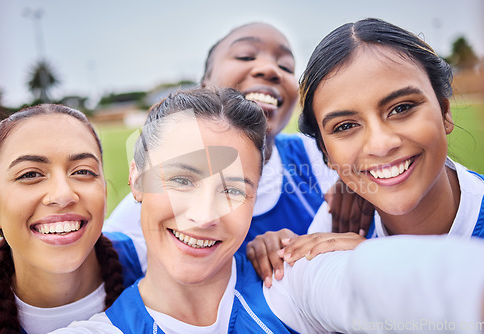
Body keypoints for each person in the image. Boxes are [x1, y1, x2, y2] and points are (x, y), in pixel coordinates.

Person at [51, 88, 484, 334]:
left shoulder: (291, 283)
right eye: (181, 180)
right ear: (136, 179)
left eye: (234, 189)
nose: (203, 215)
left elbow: (407, 288)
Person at [104, 23, 373, 267]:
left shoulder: (318, 158)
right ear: (205, 84)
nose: (269, 69)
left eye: (287, 66)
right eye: (245, 56)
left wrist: (360, 184)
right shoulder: (153, 200)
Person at [248, 17, 484, 278]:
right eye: (345, 126)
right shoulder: (332, 229)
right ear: (326, 154)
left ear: (444, 111)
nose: (381, 145)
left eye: (401, 108)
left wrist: (381, 262)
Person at [0, 104, 144, 334]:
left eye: (82, 171)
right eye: (30, 174)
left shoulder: (150, 262)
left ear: (105, 194)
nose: (63, 195)